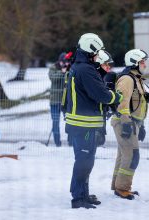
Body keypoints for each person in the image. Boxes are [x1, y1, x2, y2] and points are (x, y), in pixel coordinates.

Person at [65, 33, 123, 209]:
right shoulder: (86, 69)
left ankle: (83, 194)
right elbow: (101, 95)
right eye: (97, 52)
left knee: (86, 161)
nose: (98, 56)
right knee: (84, 161)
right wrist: (116, 97)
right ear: (90, 49)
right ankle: (78, 198)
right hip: (84, 125)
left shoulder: (80, 67)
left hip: (82, 124)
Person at [111, 49, 149, 200]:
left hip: (133, 122)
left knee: (123, 155)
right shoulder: (127, 79)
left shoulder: (136, 78)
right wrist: (126, 123)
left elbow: (138, 104)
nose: (145, 64)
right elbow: (122, 102)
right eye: (142, 61)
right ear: (134, 63)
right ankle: (123, 188)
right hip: (124, 122)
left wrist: (142, 125)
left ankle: (117, 185)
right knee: (132, 155)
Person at [48, 52, 71, 147]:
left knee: (70, 121)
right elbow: (52, 78)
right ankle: (57, 142)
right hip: (55, 100)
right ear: (59, 61)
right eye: (63, 62)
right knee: (55, 121)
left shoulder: (69, 68)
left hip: (66, 101)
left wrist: (68, 70)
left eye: (66, 62)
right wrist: (61, 72)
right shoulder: (53, 67)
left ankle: (71, 141)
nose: (65, 64)